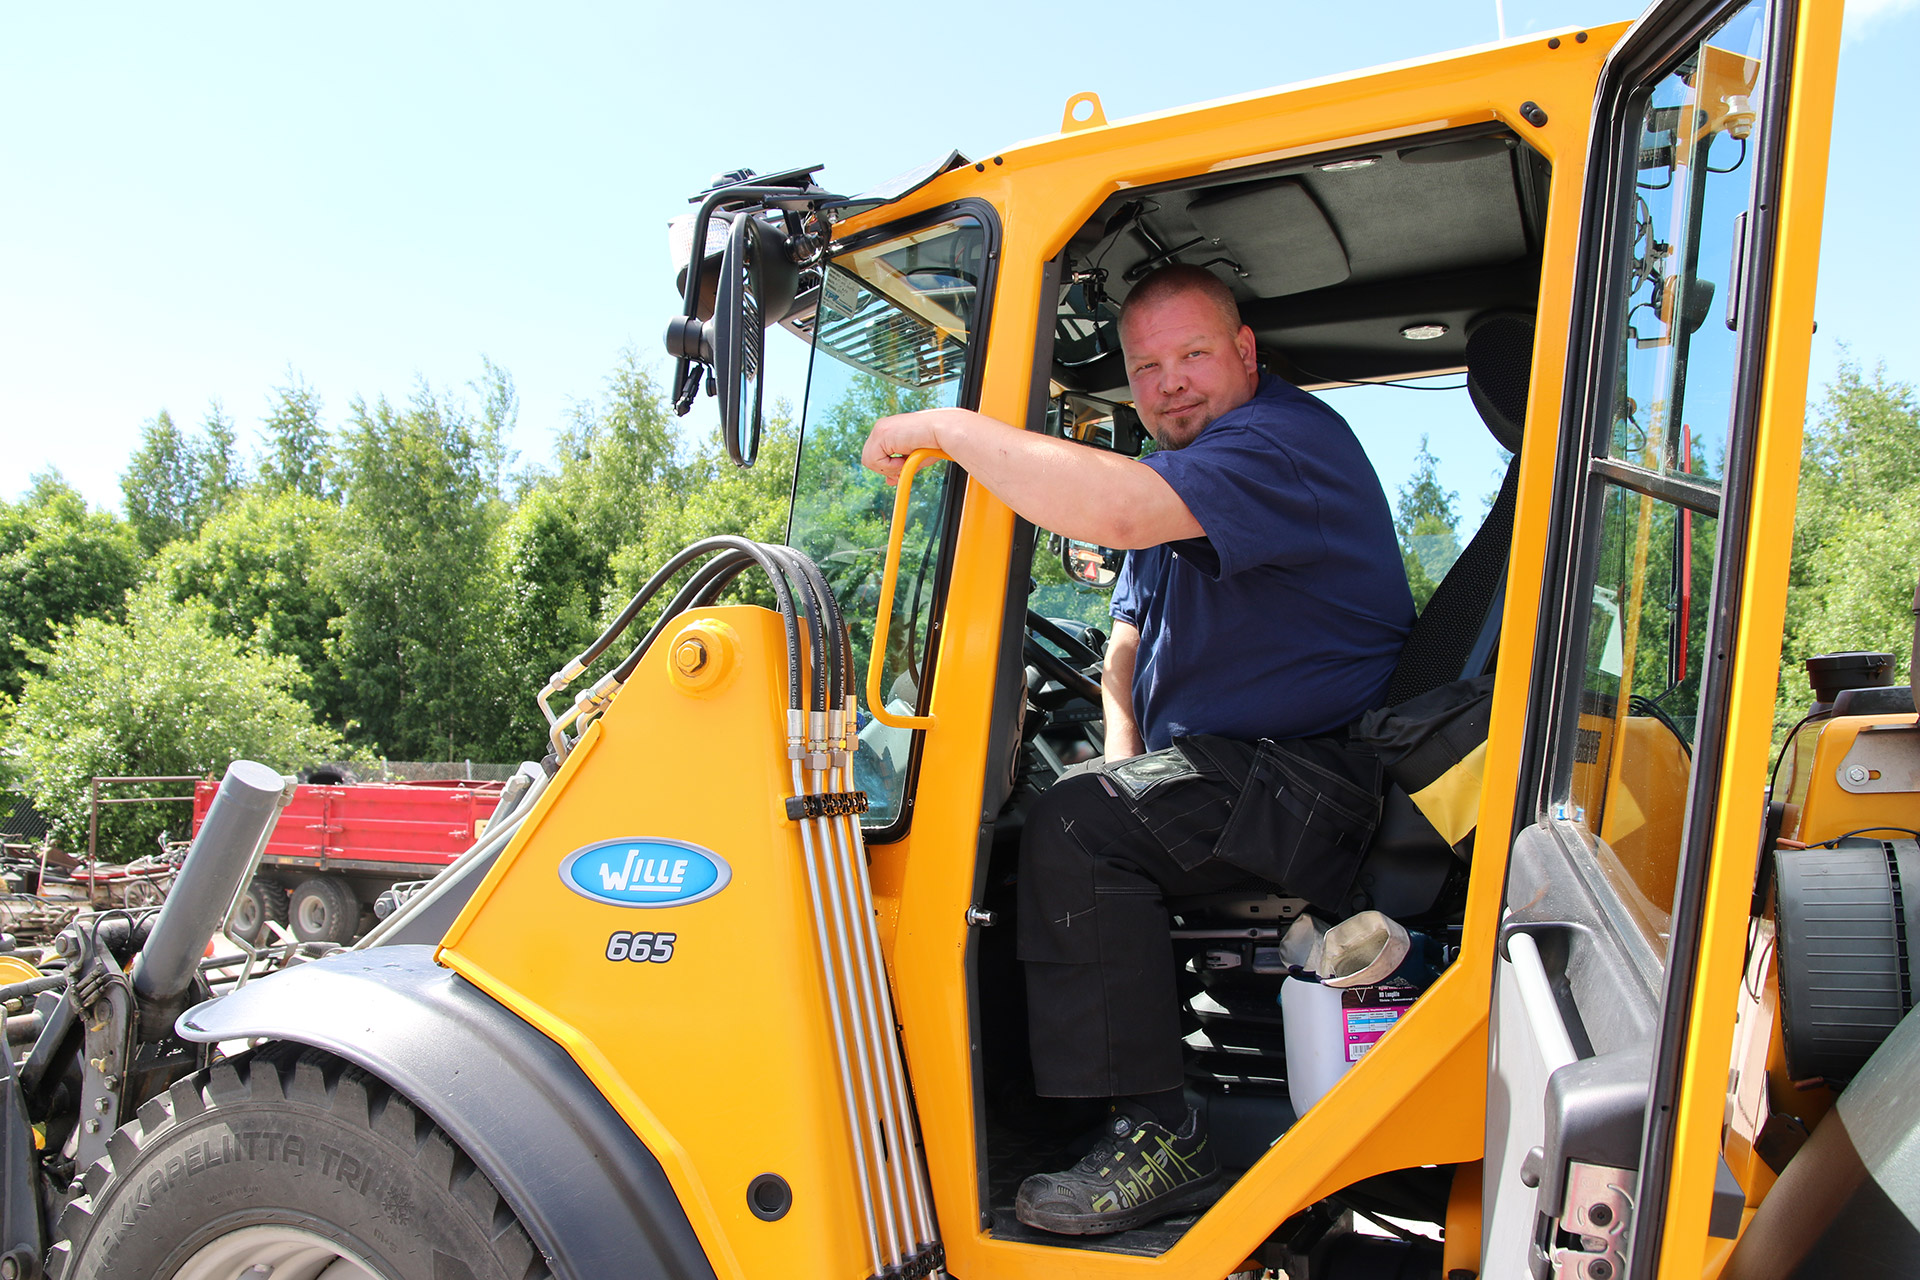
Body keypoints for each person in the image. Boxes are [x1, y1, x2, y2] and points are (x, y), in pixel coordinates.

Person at [861, 264, 1414, 1235]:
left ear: (1245, 353)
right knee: (1084, 797)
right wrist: (1121, 748)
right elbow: (1126, 643)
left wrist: (950, 430)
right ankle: (1087, 1113)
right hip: (1241, 768)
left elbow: (1112, 512)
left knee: (1074, 821)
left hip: (1310, 774)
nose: (1170, 383)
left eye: (1194, 354)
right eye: (1148, 366)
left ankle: (1160, 1131)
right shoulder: (1184, 471)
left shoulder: (1274, 445)